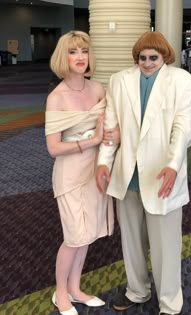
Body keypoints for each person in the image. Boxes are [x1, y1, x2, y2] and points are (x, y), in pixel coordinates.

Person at [96, 31, 191, 315]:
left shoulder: (184, 82)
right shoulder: (119, 81)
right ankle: (137, 290)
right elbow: (111, 126)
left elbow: (183, 128)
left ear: (164, 56)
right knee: (131, 240)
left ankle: (169, 304)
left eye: (153, 57)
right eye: (142, 57)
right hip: (128, 175)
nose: (147, 62)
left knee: (166, 244)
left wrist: (173, 165)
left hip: (161, 174)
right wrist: (104, 161)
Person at [45, 30, 120, 315]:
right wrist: (93, 139)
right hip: (70, 174)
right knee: (74, 236)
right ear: (63, 57)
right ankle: (60, 293)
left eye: (84, 51)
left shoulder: (98, 88)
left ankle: (75, 288)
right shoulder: (57, 97)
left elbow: (111, 127)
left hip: (96, 171)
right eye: (73, 52)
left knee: (87, 234)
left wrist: (114, 134)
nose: (80, 57)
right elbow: (53, 147)